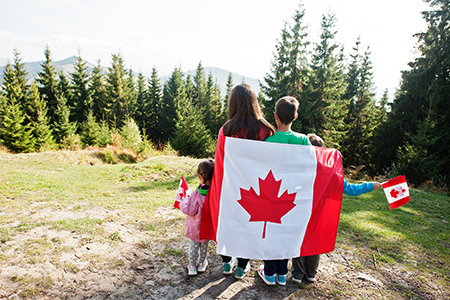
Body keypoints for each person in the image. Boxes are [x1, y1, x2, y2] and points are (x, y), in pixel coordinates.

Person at [291, 133, 382, 284]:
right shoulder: (331, 173)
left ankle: (298, 274)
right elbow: (351, 189)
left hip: (302, 212)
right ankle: (311, 273)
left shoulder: (300, 170)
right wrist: (371, 185)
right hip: (321, 216)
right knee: (315, 242)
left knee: (300, 241)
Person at [217, 83, 276, 280]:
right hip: (256, 188)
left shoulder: (226, 130)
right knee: (249, 225)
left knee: (228, 222)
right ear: (253, 103)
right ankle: (242, 266)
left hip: (231, 187)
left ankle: (226, 263)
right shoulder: (266, 130)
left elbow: (221, 162)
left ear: (232, 103)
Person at [256, 96, 311, 286]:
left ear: (275, 116)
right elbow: (311, 167)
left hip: (271, 196)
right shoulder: (304, 140)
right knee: (287, 233)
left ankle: (269, 273)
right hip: (294, 197)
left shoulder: (269, 141)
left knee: (271, 233)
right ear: (295, 116)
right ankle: (282, 274)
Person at [179, 159, 215, 276]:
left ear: (200, 175)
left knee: (193, 248)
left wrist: (183, 202)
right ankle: (201, 264)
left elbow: (190, 210)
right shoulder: (215, 193)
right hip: (206, 228)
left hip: (195, 229)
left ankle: (192, 267)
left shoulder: (196, 194)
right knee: (204, 248)